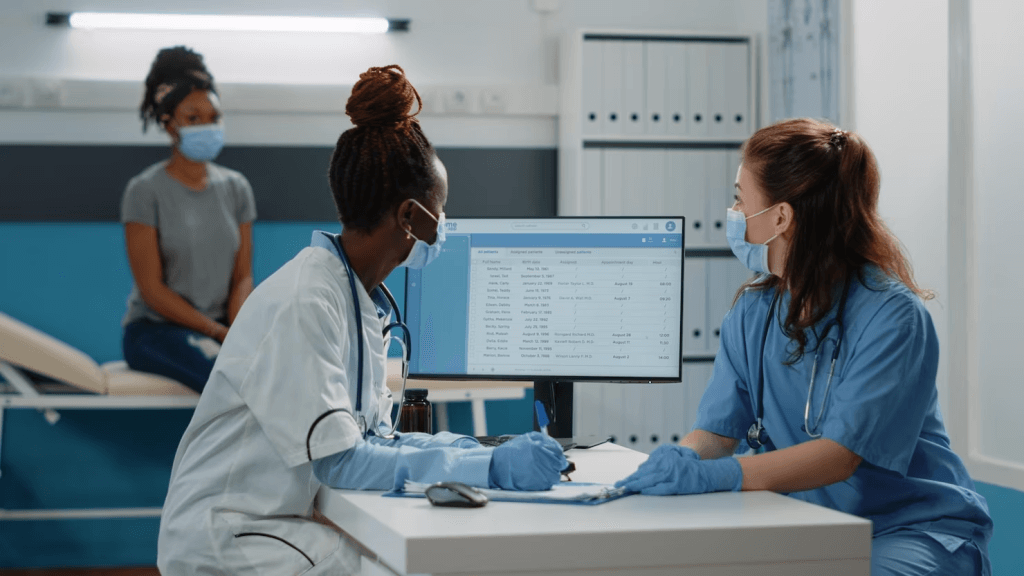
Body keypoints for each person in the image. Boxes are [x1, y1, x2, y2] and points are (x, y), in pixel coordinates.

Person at [157, 65, 567, 575]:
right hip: (229, 535)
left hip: (278, 518)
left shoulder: (356, 299)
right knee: (395, 567)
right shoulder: (305, 301)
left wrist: (474, 448)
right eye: (442, 212)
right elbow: (342, 461)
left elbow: (373, 440)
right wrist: (490, 467)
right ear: (410, 216)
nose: (443, 229)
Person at [616, 119, 993, 575]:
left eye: (740, 198)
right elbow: (718, 432)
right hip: (804, 523)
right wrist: (682, 459)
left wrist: (721, 475)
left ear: (780, 216)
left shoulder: (892, 316)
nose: (733, 212)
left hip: (906, 529)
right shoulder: (754, 311)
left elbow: (839, 454)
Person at [120, 46, 256, 393]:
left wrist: (239, 333)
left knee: (278, 366)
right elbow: (152, 290)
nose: (206, 126)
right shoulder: (144, 191)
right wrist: (217, 333)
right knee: (231, 382)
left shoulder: (236, 187)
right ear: (169, 125)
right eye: (193, 118)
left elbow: (242, 277)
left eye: (213, 117)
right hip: (156, 331)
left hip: (223, 325)